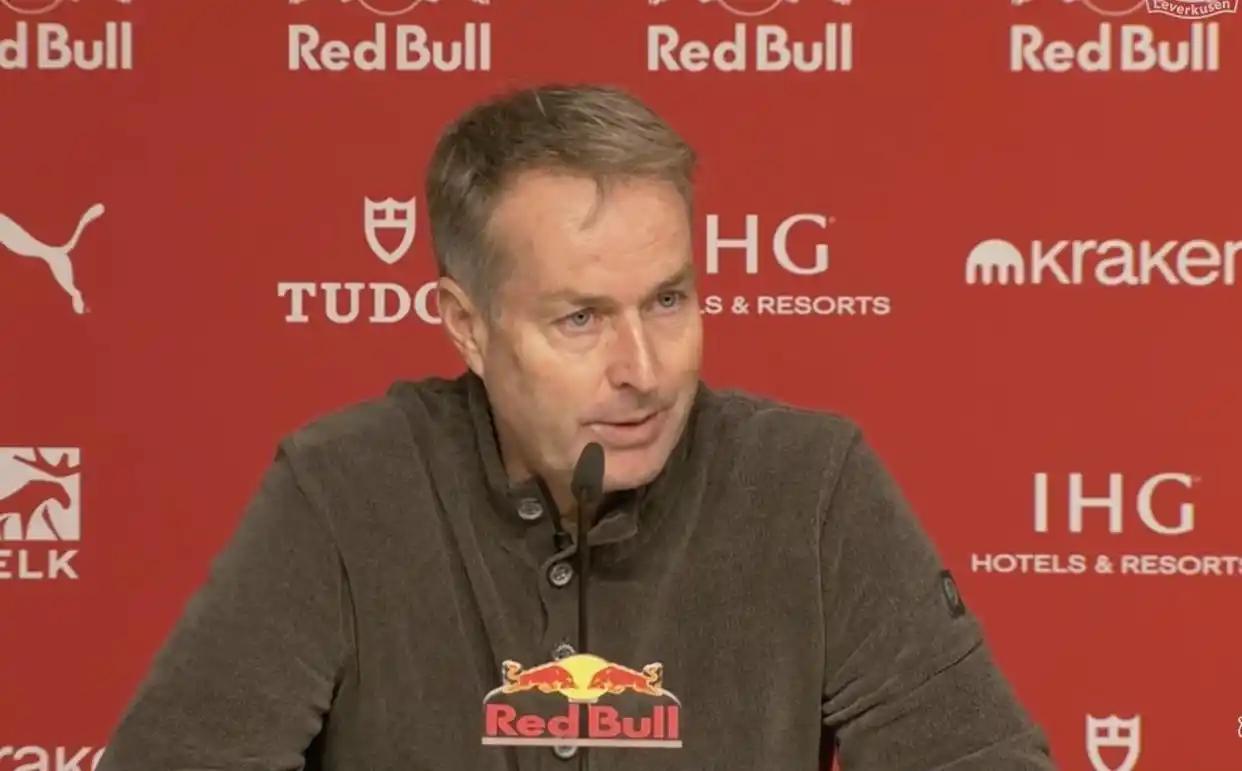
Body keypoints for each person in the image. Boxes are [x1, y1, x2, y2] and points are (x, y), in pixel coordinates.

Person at [97, 83, 1057, 770]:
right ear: (467, 325)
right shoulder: (344, 489)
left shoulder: (811, 485)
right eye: (580, 318)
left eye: (668, 300)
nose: (643, 370)